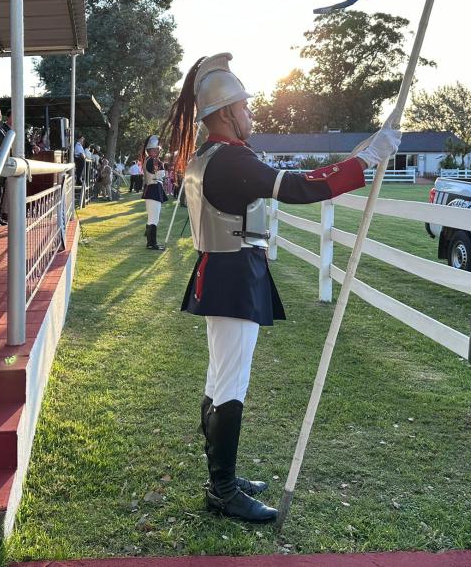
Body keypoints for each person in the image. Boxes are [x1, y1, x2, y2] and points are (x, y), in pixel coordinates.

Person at [162, 53, 401, 523]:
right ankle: (223, 489)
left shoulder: (209, 156)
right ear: (227, 113)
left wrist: (363, 152)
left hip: (224, 269)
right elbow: (300, 187)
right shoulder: (229, 158)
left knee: (220, 378)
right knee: (230, 382)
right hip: (233, 274)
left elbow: (295, 181)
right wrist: (366, 159)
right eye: (247, 108)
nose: (253, 114)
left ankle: (222, 478)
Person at [141, 135, 168, 250]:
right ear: (150, 150)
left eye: (157, 149)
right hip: (153, 190)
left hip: (152, 190)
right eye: (155, 149)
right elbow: (160, 174)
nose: (157, 151)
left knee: (152, 217)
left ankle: (150, 242)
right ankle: (152, 243)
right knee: (153, 218)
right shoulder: (153, 161)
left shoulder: (151, 160)